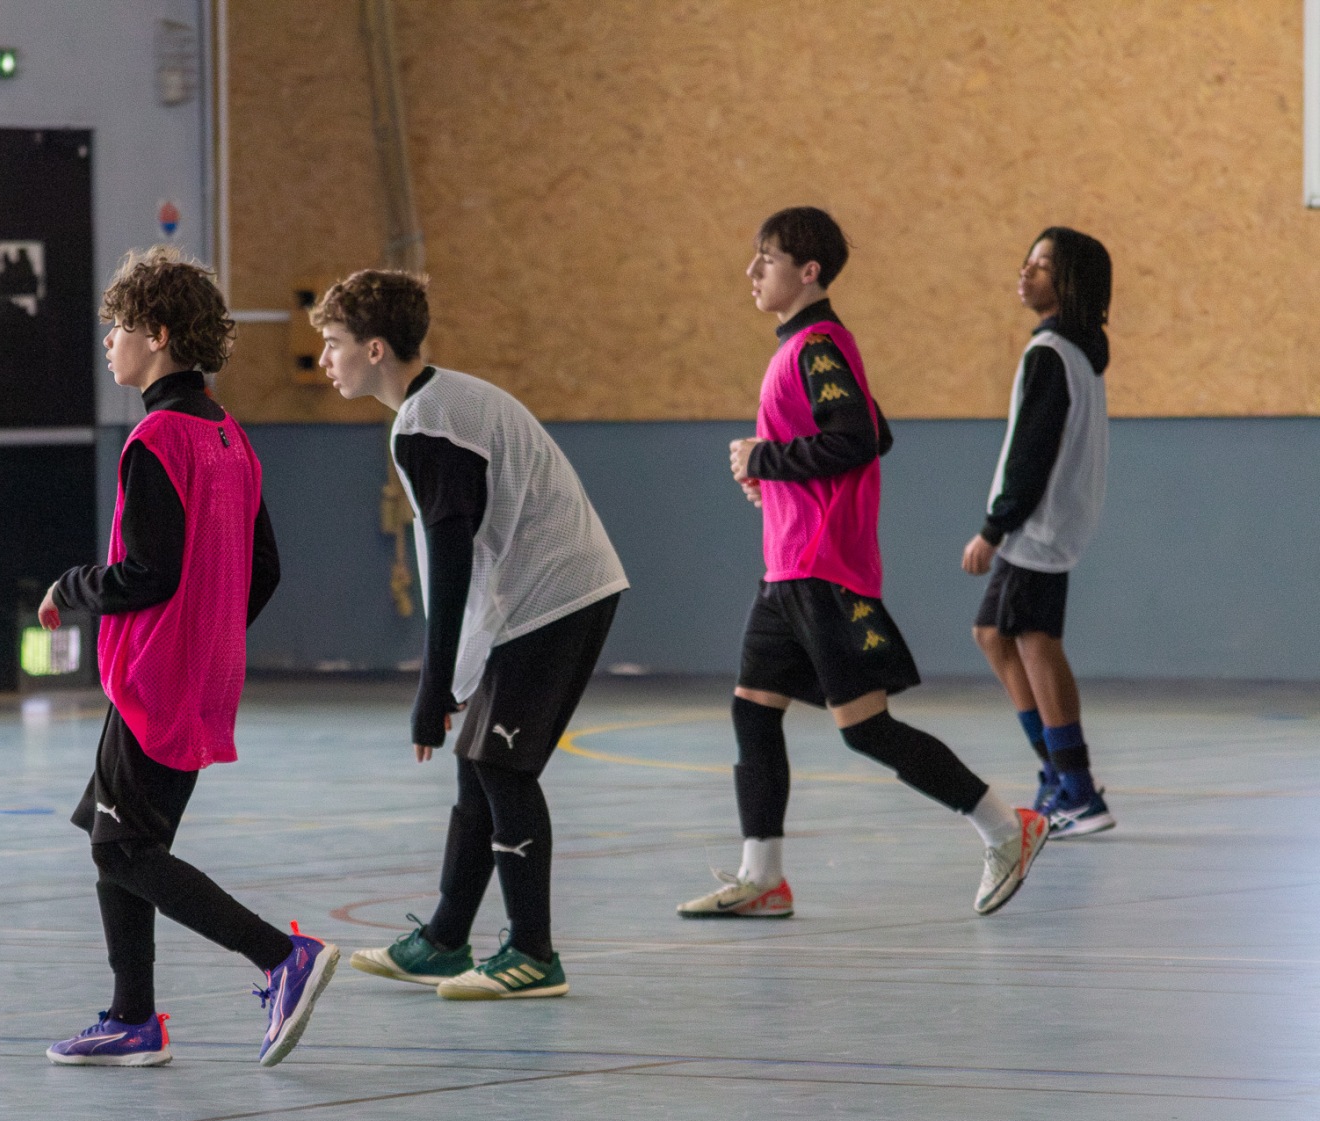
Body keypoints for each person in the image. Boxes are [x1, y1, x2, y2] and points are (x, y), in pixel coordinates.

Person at [678, 207, 1047, 921]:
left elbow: (852, 440)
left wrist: (765, 458)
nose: (753, 273)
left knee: (865, 728)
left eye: (768, 259)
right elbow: (875, 429)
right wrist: (778, 472)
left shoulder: (819, 345)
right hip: (785, 571)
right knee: (752, 711)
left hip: (820, 570)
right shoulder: (807, 348)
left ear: (807, 271)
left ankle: (1009, 828)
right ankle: (764, 878)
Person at [40, 247, 335, 1069]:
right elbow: (263, 565)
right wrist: (213, 632)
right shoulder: (227, 435)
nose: (109, 343)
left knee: (125, 849)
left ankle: (281, 957)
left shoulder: (157, 438)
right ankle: (132, 1019)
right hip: (191, 672)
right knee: (113, 835)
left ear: (158, 335)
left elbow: (147, 574)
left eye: (119, 327)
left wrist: (71, 586)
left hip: (154, 677)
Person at [316, 269, 629, 1000]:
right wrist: (455, 682)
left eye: (333, 344)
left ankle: (533, 954)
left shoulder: (428, 422)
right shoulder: (441, 403)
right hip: (538, 598)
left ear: (374, 348)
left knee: (504, 769)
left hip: (556, 598)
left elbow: (454, 561)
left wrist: (430, 692)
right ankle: (446, 940)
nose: (326, 359)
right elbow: (467, 560)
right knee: (477, 764)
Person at [964, 228, 1114, 838]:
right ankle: (1059, 776)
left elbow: (1032, 450)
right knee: (994, 634)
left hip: (1035, 526)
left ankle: (1076, 789)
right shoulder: (1070, 351)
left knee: (1032, 640)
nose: (1026, 272)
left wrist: (994, 527)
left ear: (1071, 282)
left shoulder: (1052, 353)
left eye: (1044, 266)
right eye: (1026, 260)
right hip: (1046, 524)